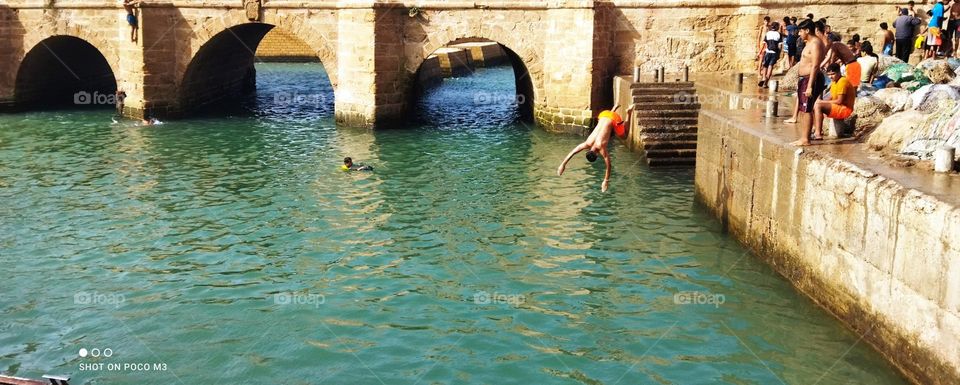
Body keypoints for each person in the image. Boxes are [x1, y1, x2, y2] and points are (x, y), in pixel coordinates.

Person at [557, 105, 634, 192]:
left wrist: (605, 181)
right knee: (606, 124)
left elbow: (609, 166)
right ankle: (614, 108)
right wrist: (562, 164)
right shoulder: (587, 143)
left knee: (624, 135)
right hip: (603, 114)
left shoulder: (601, 148)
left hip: (614, 118)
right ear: (589, 151)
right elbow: (573, 152)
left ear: (597, 155)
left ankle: (629, 112)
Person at [788, 19, 826, 146]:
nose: (799, 33)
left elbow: (815, 65)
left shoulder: (815, 43)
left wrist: (810, 85)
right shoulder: (808, 43)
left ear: (807, 30)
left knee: (807, 108)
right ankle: (803, 137)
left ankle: (805, 139)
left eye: (801, 31)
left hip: (811, 79)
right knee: (803, 109)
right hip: (805, 79)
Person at [810, 63, 856, 141]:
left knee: (818, 106)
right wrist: (820, 101)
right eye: (829, 75)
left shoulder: (842, 81)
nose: (831, 76)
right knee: (815, 104)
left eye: (833, 74)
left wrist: (821, 102)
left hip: (845, 109)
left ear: (839, 72)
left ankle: (818, 133)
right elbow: (831, 96)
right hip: (839, 107)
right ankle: (815, 129)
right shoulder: (834, 82)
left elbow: (839, 101)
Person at [759, 22, 782, 88]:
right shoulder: (778, 34)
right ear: (777, 27)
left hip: (768, 52)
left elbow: (764, 43)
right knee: (770, 66)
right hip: (774, 53)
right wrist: (779, 53)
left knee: (765, 66)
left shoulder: (768, 33)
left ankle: (763, 77)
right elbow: (780, 46)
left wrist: (761, 51)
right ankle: (766, 83)